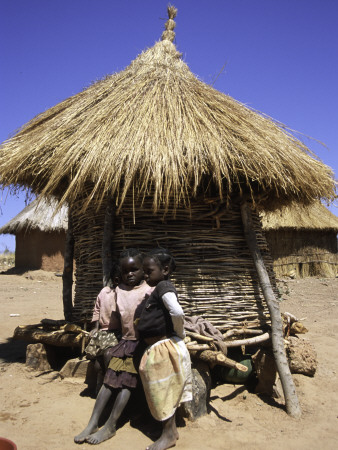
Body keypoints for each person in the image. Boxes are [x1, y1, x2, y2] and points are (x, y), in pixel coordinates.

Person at [74, 248, 153, 445]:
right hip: (125, 342)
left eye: (134, 270)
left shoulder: (150, 290)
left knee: (126, 381)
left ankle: (110, 425)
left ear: (143, 271)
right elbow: (117, 320)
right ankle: (93, 422)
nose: (130, 274)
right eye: (126, 271)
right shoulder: (119, 291)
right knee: (110, 381)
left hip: (142, 344)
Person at [137, 248, 192, 450]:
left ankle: (168, 435)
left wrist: (179, 333)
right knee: (162, 389)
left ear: (165, 270)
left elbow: (177, 311)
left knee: (163, 392)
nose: (145, 275)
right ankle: (170, 431)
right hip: (157, 347)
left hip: (163, 347)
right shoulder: (158, 288)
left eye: (149, 271)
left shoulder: (164, 286)